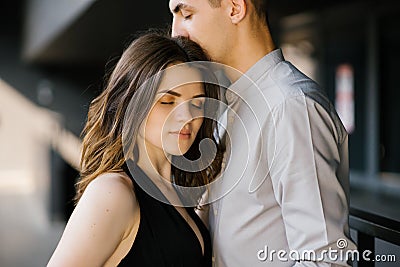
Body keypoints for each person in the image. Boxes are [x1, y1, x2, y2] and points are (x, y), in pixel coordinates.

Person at [170, 0, 357, 266]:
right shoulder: (231, 108)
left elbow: (325, 259)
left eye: (186, 14)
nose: (176, 33)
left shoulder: (291, 107)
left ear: (235, 8)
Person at [47, 31, 224, 266]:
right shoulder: (113, 193)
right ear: (132, 102)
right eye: (167, 101)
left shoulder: (176, 191)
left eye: (197, 103)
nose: (187, 116)